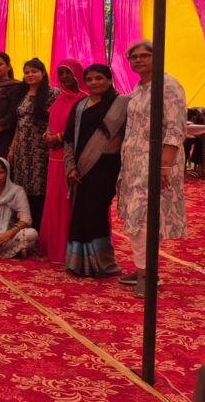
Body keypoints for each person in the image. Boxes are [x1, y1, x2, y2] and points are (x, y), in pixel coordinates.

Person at [117, 41, 187, 296]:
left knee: (144, 216)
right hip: (134, 163)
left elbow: (176, 128)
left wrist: (165, 165)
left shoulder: (168, 86)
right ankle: (144, 268)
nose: (138, 60)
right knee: (139, 215)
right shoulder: (139, 88)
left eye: (144, 55)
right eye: (134, 57)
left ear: (157, 57)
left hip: (156, 162)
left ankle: (147, 274)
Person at [63, 64, 128, 277]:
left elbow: (130, 135)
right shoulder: (80, 105)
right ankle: (79, 263)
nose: (94, 83)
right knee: (80, 213)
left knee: (96, 213)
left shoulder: (122, 104)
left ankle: (103, 263)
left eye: (99, 78)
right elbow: (69, 139)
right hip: (80, 169)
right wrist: (70, 167)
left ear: (109, 79)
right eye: (89, 79)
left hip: (106, 167)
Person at [38, 59, 87, 264]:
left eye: (69, 72)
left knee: (69, 202)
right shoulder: (60, 97)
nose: (65, 77)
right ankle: (54, 246)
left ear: (78, 74)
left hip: (72, 157)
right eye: (61, 73)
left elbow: (83, 129)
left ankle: (70, 250)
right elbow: (53, 122)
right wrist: (47, 135)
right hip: (54, 157)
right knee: (55, 200)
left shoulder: (85, 99)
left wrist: (58, 137)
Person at [9, 58, 58, 230]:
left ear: (43, 73)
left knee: (39, 187)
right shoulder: (22, 93)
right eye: (27, 72)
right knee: (22, 186)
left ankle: (39, 226)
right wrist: (12, 147)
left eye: (34, 71)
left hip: (40, 148)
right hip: (22, 147)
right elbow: (18, 123)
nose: (30, 75)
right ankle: (24, 223)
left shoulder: (53, 93)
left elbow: (57, 119)